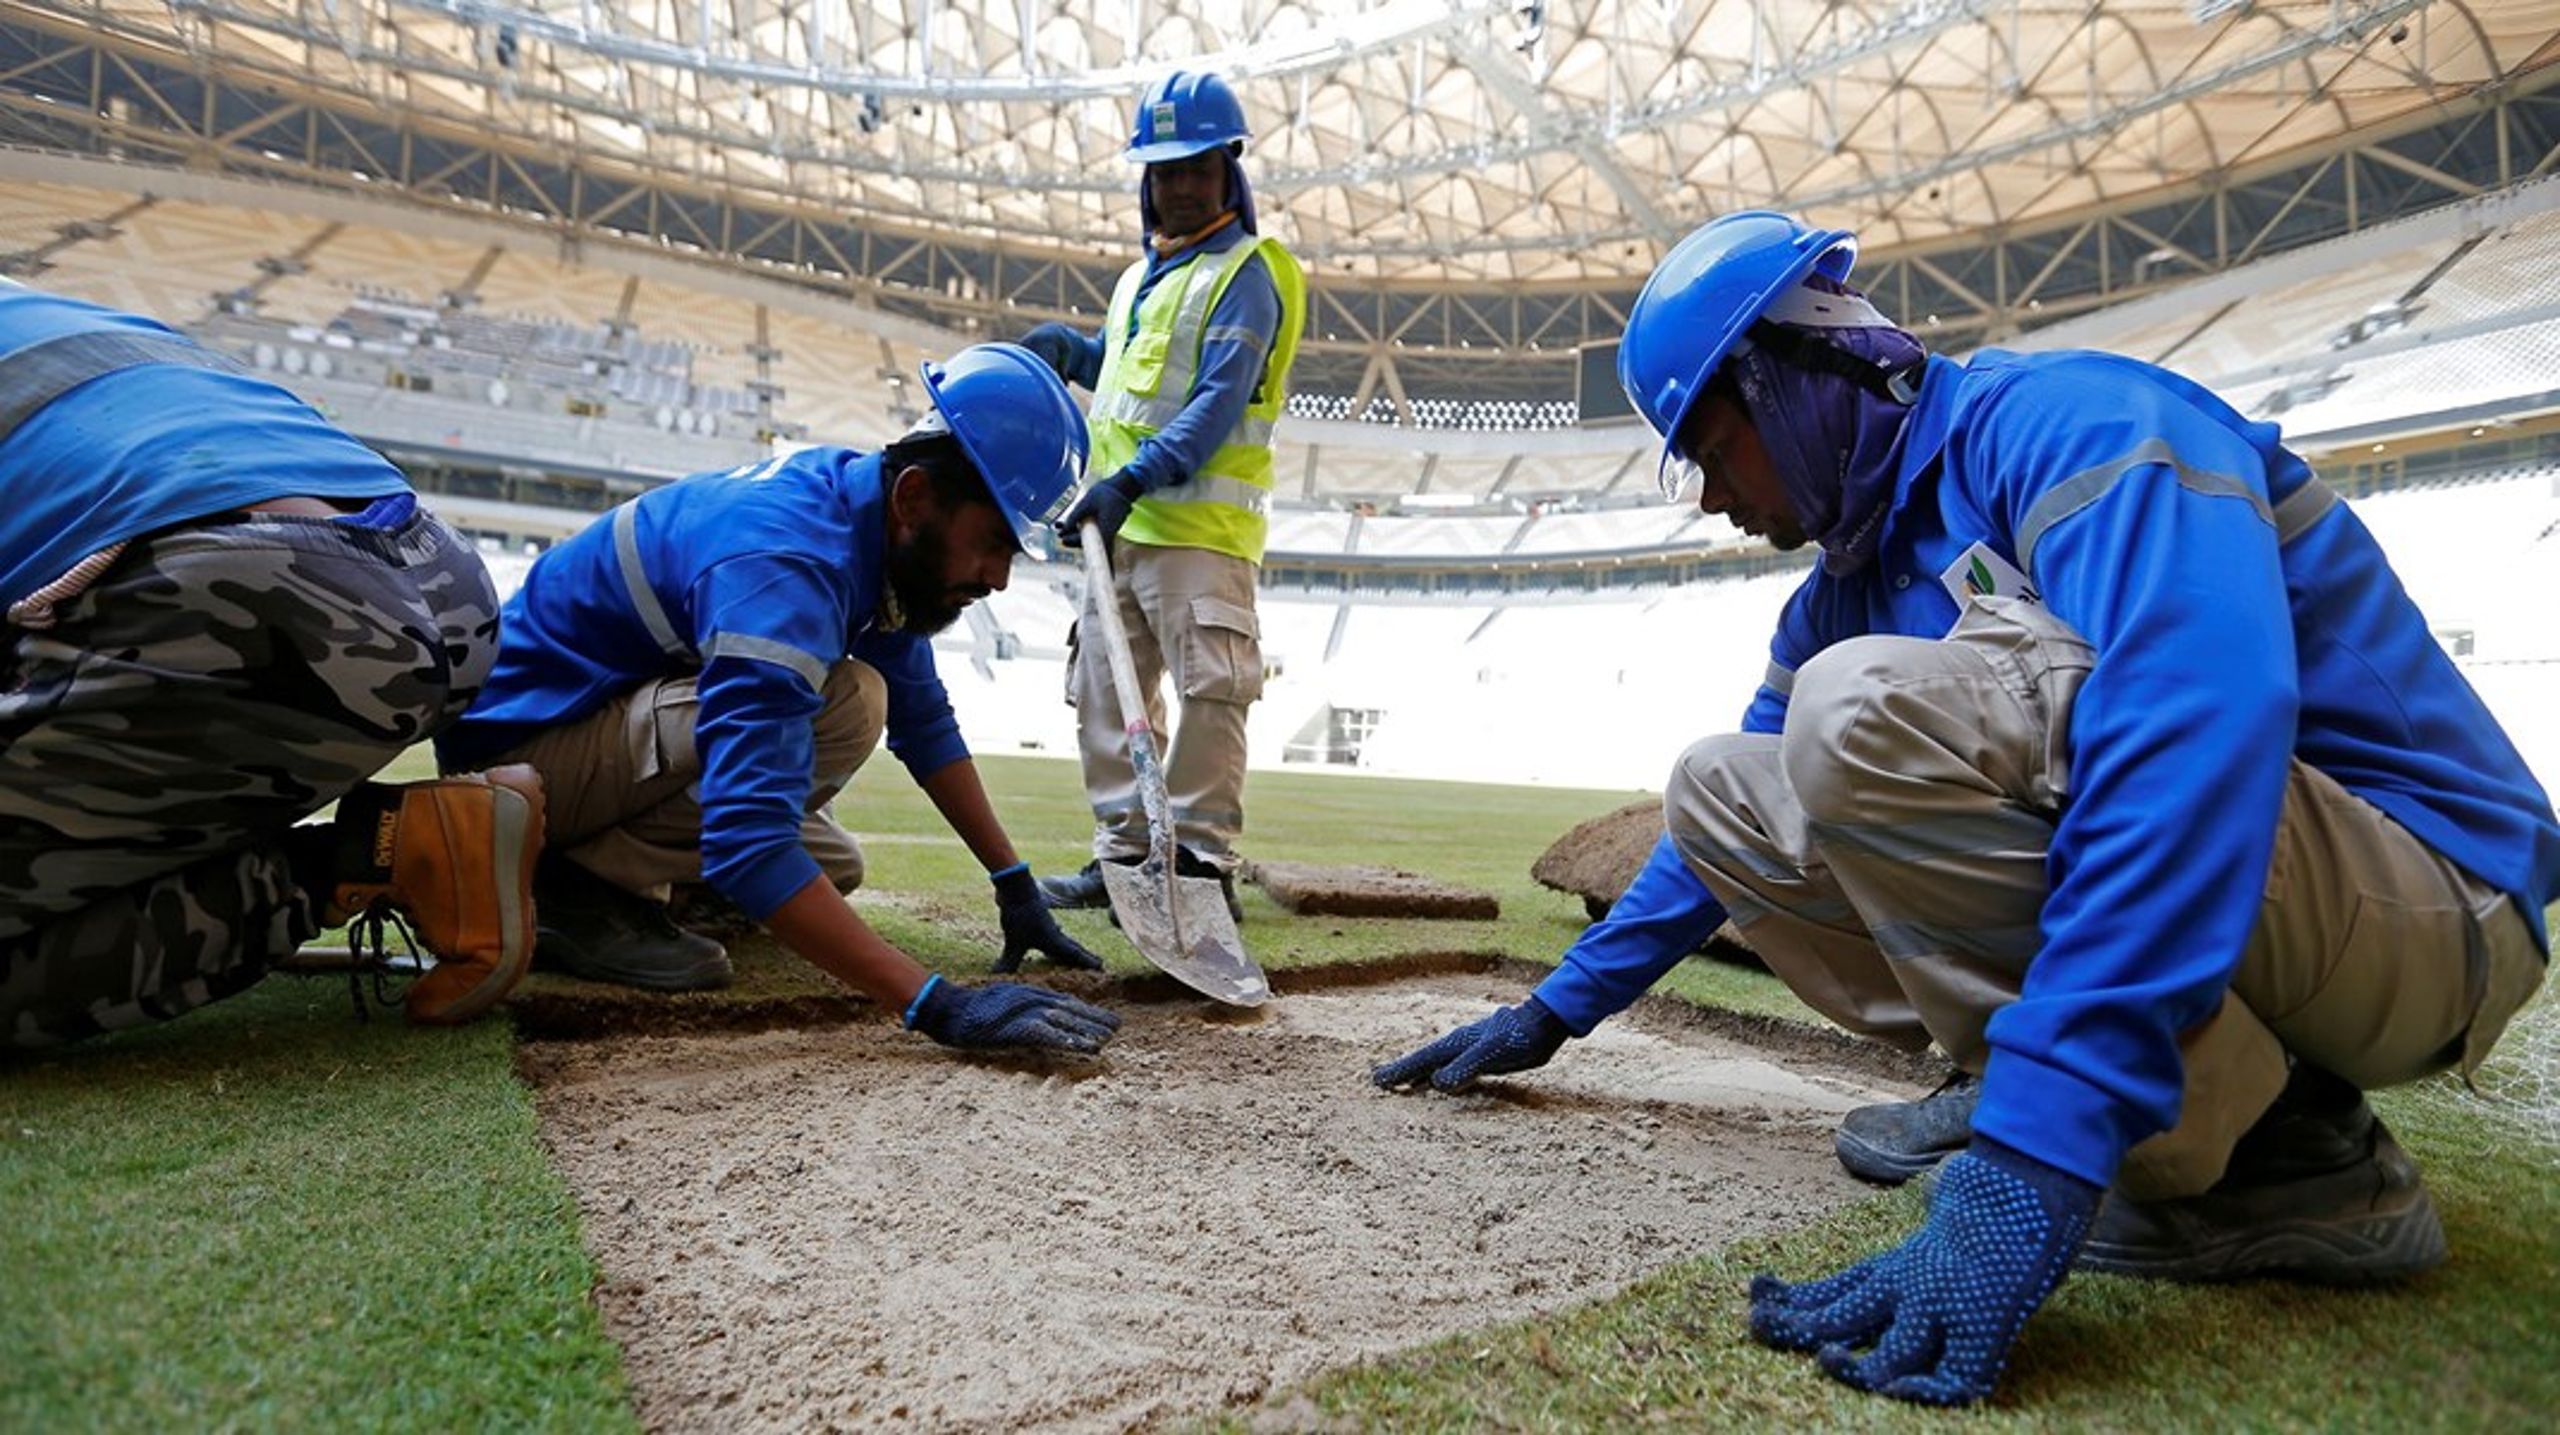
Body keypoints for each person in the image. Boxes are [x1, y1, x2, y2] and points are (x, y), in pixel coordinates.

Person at [1373, 211, 2556, 1405]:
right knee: (1722, 784)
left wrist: (2035, 1152)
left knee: (1858, 707)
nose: (1710, 499)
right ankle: (2181, 1099)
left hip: (2433, 908)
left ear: (1788, 381)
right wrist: (1558, 1007)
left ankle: (2269, 1155)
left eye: (1710, 449)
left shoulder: (2068, 423)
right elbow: (1716, 843)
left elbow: (2196, 729)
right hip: (2287, 906)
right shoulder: (1845, 586)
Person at [434, 343, 1119, 1058]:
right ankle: (566, 884)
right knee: (848, 705)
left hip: (580, 732)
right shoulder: (786, 564)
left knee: (832, 864)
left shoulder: (868, 525)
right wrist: (938, 1004)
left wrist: (1013, 883)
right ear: (914, 497)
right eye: (992, 544)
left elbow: (925, 722)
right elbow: (746, 840)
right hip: (510, 771)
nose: (1000, 580)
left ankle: (615, 874)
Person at [0, 280, 544, 1047]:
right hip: (438, 574)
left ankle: (351, 863)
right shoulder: (46, 307)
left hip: (242, 603)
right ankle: (399, 840)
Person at [1019, 69, 1308, 920]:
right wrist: (1070, 352)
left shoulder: (1249, 274)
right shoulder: (1140, 276)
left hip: (1199, 534)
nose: (1178, 186)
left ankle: (1199, 862)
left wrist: (1129, 481)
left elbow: (1215, 409)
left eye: (1195, 167)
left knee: (1212, 693)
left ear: (1229, 170)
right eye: (1163, 170)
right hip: (1119, 526)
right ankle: (1124, 856)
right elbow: (1124, 369)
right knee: (1105, 691)